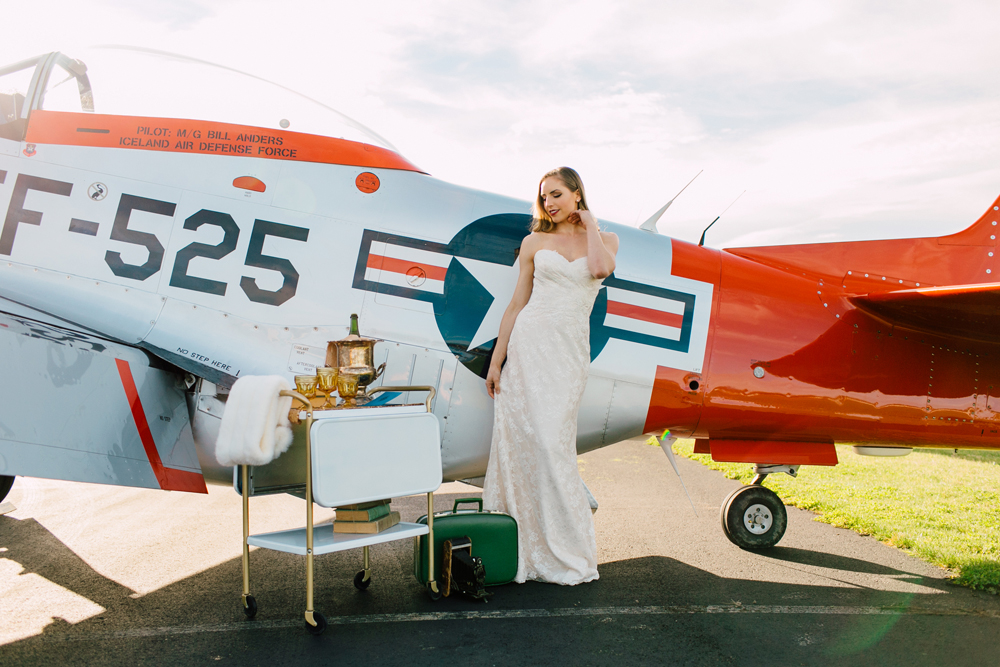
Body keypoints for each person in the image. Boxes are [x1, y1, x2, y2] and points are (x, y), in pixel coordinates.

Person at [482, 167, 619, 585]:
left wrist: (590, 223)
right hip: (528, 347)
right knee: (529, 442)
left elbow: (598, 270)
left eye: (557, 194)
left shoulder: (606, 240)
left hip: (568, 354)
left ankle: (571, 552)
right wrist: (496, 359)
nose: (550, 204)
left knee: (553, 444)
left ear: (577, 194)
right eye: (544, 198)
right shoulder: (533, 241)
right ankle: (524, 544)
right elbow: (516, 303)